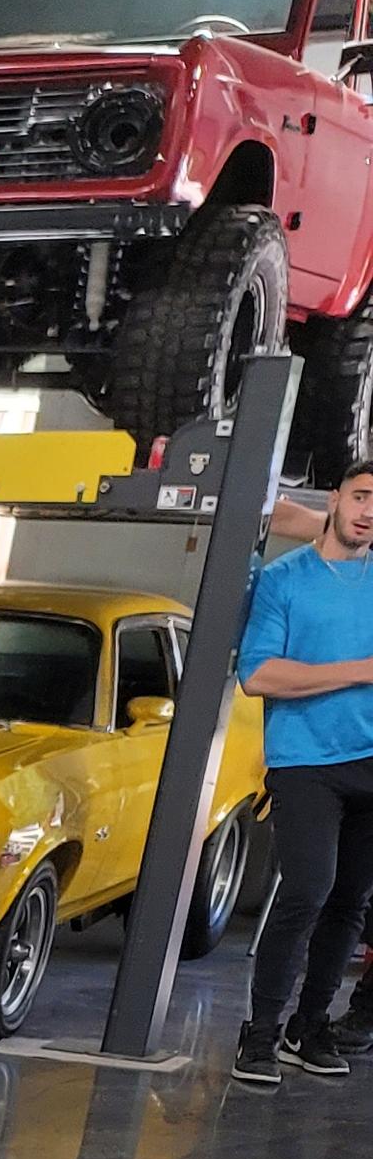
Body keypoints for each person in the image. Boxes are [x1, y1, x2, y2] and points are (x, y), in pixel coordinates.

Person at [228, 454, 373, 1085]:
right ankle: (258, 1035)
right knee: (308, 889)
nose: (370, 512)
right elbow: (258, 675)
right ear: (337, 497)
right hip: (305, 762)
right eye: (363, 496)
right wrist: (361, 670)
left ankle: (307, 1028)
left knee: (349, 900)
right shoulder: (286, 579)